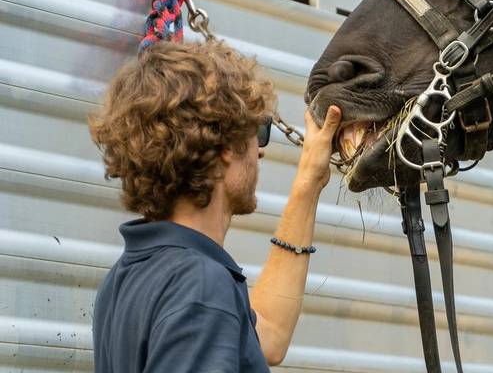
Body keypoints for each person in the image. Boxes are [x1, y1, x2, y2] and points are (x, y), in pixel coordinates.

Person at [88, 39, 341, 372]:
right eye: (258, 132)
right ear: (227, 144)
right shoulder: (201, 286)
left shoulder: (127, 277)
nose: (260, 151)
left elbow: (268, 336)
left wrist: (308, 183)